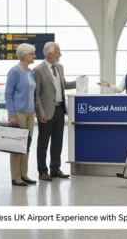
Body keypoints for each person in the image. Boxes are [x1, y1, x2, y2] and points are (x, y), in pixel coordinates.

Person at [33, 42, 76, 181]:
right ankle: (42, 171)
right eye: (58, 52)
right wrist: (40, 112)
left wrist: (78, 82)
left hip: (59, 109)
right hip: (46, 111)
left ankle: (55, 169)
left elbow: (64, 85)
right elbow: (36, 93)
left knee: (58, 141)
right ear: (50, 54)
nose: (60, 54)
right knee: (43, 142)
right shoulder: (38, 70)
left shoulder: (60, 67)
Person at [5, 43, 37, 186]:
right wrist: (11, 114)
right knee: (17, 145)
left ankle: (24, 174)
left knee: (26, 145)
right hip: (19, 113)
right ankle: (15, 176)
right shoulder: (14, 71)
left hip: (30, 113)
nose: (34, 56)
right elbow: (8, 94)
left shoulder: (30, 72)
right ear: (25, 56)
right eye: (32, 54)